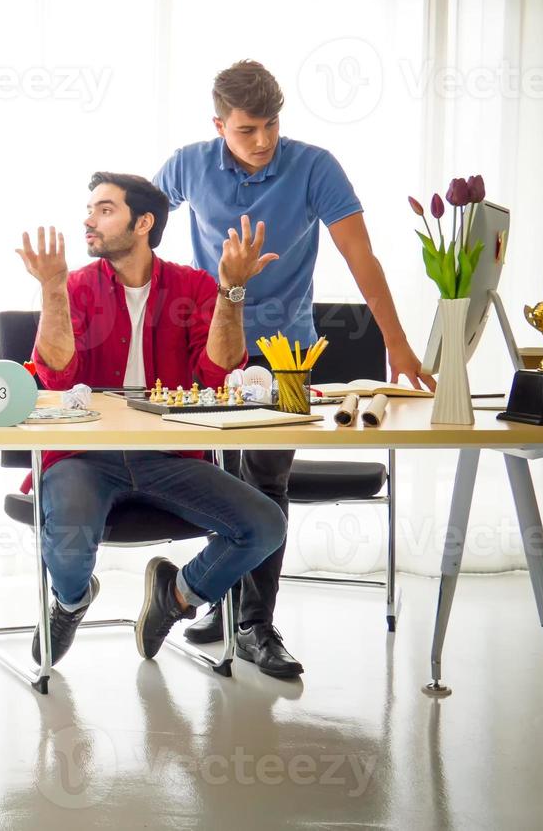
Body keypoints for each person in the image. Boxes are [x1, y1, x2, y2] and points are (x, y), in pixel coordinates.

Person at [153, 60, 432, 678]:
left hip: (287, 356)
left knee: (268, 484)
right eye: (247, 129)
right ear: (218, 124)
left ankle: (254, 625)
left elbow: (362, 258)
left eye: (272, 125)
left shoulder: (314, 166)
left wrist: (398, 345)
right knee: (215, 485)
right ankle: (216, 600)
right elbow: (140, 227)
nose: (263, 141)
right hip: (209, 350)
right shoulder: (188, 165)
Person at [15, 172, 286, 666]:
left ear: (143, 223)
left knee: (265, 525)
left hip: (170, 456)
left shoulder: (193, 286)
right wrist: (52, 288)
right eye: (90, 208)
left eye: (104, 209)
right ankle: (71, 601)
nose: (88, 220)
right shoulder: (74, 287)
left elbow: (219, 373)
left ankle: (177, 596)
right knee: (71, 548)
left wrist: (232, 292)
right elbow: (56, 379)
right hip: (84, 457)